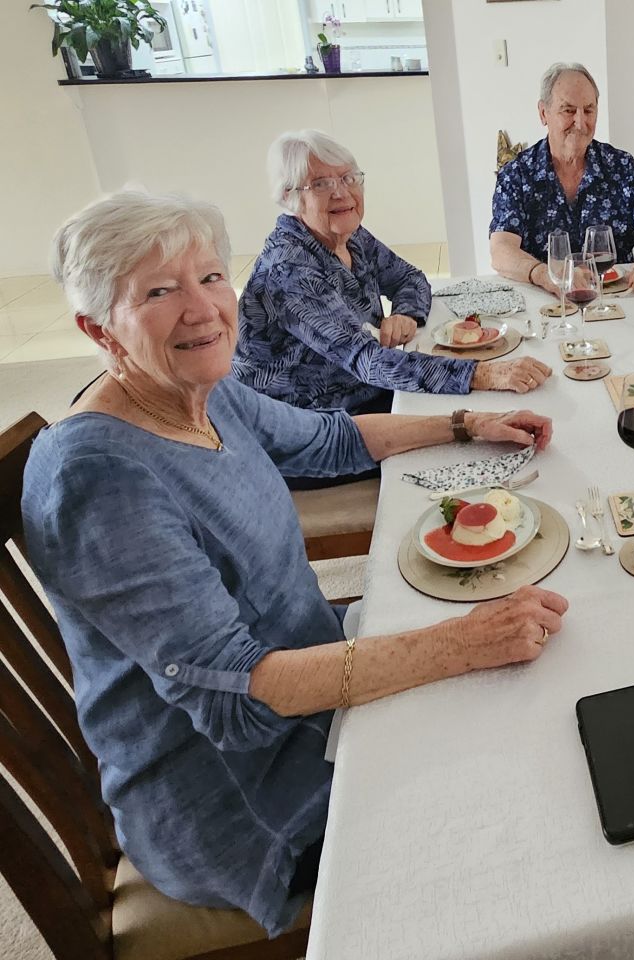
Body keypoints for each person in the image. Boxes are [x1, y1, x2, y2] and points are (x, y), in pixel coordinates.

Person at [23, 191, 569, 937]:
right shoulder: (97, 480)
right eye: (158, 292)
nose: (203, 310)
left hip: (311, 666)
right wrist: (460, 645)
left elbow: (329, 441)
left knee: (525, 694)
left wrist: (471, 422)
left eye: (211, 277)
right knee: (508, 816)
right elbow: (239, 697)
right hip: (239, 792)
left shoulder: (204, 392)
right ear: (97, 329)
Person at [235, 130, 551, 416]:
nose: (341, 193)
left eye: (348, 178)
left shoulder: (349, 235)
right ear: (290, 196)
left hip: (367, 390)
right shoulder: (288, 270)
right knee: (490, 417)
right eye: (321, 184)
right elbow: (367, 360)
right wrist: (482, 374)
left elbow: (409, 278)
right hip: (314, 420)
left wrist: (406, 314)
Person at [490, 62, 634, 295]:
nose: (580, 122)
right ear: (544, 113)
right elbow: (501, 250)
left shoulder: (623, 166)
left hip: (617, 299)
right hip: (546, 300)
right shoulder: (516, 174)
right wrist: (544, 275)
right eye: (568, 110)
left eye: (588, 110)